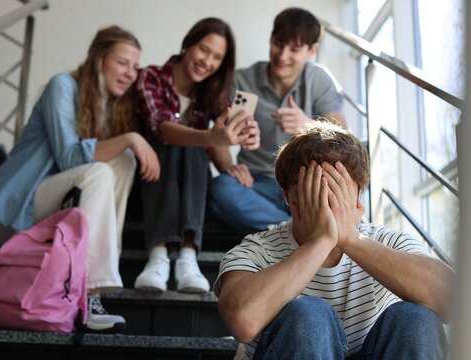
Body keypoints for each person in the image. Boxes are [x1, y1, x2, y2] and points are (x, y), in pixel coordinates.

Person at [215, 121, 454, 359]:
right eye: (314, 194)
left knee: (415, 319)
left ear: (358, 196)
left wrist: (351, 239)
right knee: (309, 315)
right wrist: (320, 242)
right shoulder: (258, 249)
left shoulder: (387, 242)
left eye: (337, 193)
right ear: (289, 199)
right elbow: (243, 321)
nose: (326, 205)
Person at [0, 25, 160, 332]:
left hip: (58, 208)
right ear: (98, 59)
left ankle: (89, 286)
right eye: (122, 62)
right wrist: (130, 137)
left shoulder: (111, 107)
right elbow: (69, 159)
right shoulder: (62, 86)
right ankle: (86, 290)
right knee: (105, 166)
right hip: (19, 206)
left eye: (135, 66)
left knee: (125, 162)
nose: (131, 73)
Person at [134, 17, 260, 294]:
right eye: (204, 50)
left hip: (187, 182)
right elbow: (163, 129)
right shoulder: (150, 77)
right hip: (148, 179)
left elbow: (224, 133)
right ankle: (158, 256)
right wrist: (208, 137)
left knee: (194, 146)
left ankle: (188, 257)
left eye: (217, 57)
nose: (207, 61)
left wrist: (238, 151)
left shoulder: (211, 94)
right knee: (180, 138)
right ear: (187, 44)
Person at [209, 7, 347, 232]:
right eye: (278, 43)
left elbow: (344, 139)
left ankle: (290, 230)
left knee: (336, 192)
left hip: (306, 184)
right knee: (221, 189)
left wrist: (308, 126)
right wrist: (229, 166)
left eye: (294, 49)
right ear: (271, 38)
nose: (282, 56)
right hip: (255, 183)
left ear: (312, 50)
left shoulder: (320, 80)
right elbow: (220, 136)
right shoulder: (242, 81)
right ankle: (299, 232)